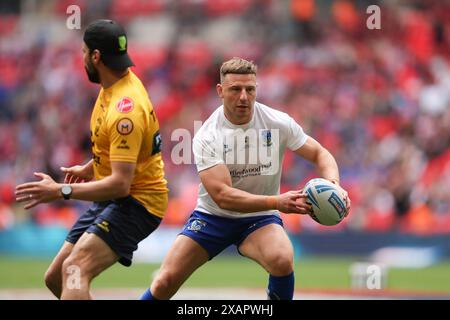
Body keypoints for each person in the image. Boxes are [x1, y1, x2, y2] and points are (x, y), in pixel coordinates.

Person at [141, 57, 351, 300]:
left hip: (258, 219)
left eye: (249, 89)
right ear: (220, 91)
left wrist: (333, 185)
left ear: (256, 89)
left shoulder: (277, 122)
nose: (243, 97)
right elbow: (223, 197)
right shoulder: (208, 135)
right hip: (213, 218)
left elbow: (319, 153)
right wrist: (276, 202)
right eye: (235, 89)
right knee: (164, 283)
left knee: (282, 259)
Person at [15, 19, 168, 300]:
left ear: (96, 56)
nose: (82, 57)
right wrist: (92, 167)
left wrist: (60, 191)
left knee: (75, 270)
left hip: (139, 202)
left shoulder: (126, 109)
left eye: (84, 51)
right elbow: (129, 150)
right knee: (56, 277)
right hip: (115, 198)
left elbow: (121, 185)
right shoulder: (115, 82)